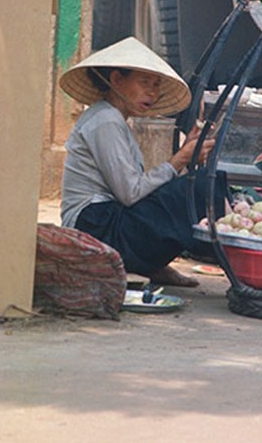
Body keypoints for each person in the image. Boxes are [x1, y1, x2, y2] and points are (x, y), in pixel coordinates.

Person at [59, 36, 226, 287]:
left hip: (109, 220)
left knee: (192, 188)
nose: (152, 92)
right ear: (116, 80)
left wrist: (182, 156)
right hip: (95, 227)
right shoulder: (105, 121)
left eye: (156, 85)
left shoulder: (115, 120)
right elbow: (130, 192)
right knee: (200, 187)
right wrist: (180, 159)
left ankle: (153, 264)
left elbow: (138, 188)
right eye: (145, 82)